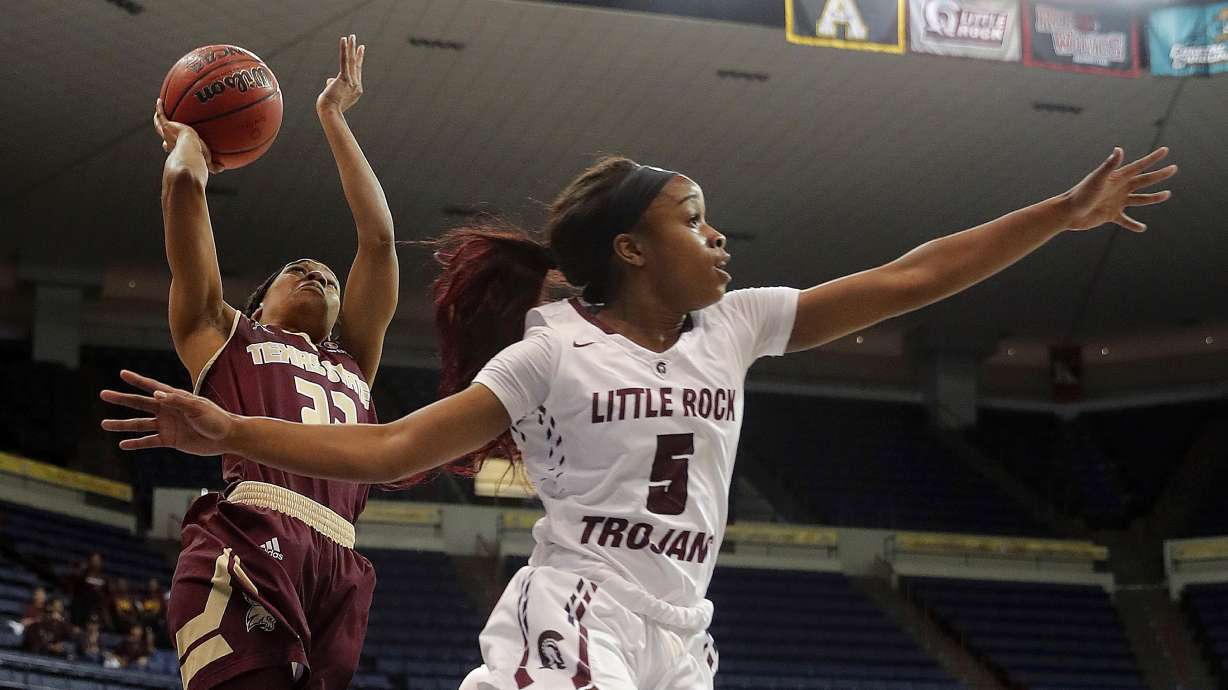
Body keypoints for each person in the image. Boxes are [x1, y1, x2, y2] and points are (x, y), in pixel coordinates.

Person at [102, 147, 1177, 690]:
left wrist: (1062, 212)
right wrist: (229, 433)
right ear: (630, 251)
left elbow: (912, 276)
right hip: (581, 611)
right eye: (693, 221)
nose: (719, 242)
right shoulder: (548, 351)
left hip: (680, 634)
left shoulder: (737, 326)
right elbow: (388, 450)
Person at [143, 35, 401, 690]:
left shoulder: (354, 359)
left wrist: (333, 116)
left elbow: (378, 240)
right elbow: (182, 188)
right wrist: (190, 150)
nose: (318, 274)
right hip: (252, 533)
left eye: (328, 278)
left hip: (338, 560)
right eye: (297, 270)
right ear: (258, 301)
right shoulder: (223, 335)